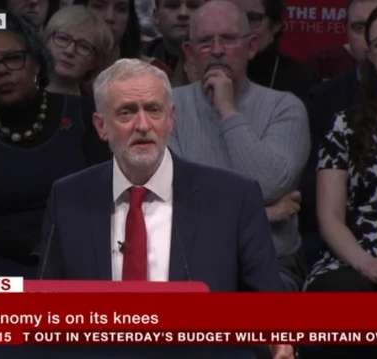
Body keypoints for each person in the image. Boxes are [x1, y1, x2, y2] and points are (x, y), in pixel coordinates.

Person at [38, 58, 292, 358]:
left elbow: (268, 306)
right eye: (126, 112)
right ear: (101, 126)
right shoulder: (68, 197)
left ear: (170, 119)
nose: (143, 125)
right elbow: (46, 307)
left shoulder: (233, 197)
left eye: (153, 110)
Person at [0, 12, 111, 278]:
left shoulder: (87, 117)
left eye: (14, 58)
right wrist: (38, 249)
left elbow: (109, 192)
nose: (2, 70)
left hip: (81, 249)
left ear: (37, 63)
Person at [169, 0, 310, 291]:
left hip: (268, 263)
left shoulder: (285, 108)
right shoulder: (167, 106)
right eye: (206, 41)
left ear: (252, 47)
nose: (218, 50)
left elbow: (269, 183)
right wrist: (266, 214)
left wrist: (228, 112)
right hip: (188, 262)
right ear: (189, 53)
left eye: (229, 39)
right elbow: (173, 200)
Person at [305, 0, 377, 352]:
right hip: (353, 256)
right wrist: (366, 263)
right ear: (369, 54)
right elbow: (330, 217)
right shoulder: (346, 123)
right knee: (338, 298)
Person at [299, 0, 377, 268]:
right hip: (337, 239)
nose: (373, 39)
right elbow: (309, 190)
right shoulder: (322, 100)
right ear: (346, 34)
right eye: (361, 28)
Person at [231, 0, 319, 100]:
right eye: (233, 17)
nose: (241, 27)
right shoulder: (214, 70)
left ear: (275, 25)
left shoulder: (303, 79)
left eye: (252, 18)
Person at [43, 5, 114, 95]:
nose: (69, 51)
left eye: (84, 46)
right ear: (46, 41)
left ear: (94, 62)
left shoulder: (97, 107)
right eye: (63, 38)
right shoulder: (22, 97)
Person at [143, 0, 202, 86]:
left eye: (193, 6)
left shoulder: (221, 57)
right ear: (156, 16)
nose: (183, 13)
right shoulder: (137, 57)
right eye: (172, 6)